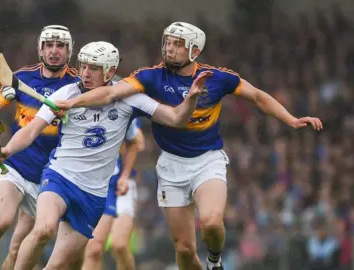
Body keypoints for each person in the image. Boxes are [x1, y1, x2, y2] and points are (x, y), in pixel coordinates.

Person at [52, 22, 323, 270]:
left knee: (212, 221)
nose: (169, 47)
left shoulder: (216, 77)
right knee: (183, 250)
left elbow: (258, 96)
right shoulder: (150, 77)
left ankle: (214, 261)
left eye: (177, 43)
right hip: (171, 166)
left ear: (194, 49)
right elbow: (110, 92)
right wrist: (73, 102)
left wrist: (291, 119)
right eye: (168, 41)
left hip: (208, 160)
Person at [0, 41, 211, 270]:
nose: (85, 73)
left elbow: (176, 118)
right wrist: (7, 150)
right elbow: (30, 131)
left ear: (110, 71)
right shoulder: (65, 93)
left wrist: (192, 97)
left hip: (94, 194)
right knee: (44, 229)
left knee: (56, 265)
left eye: (93, 68)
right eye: (83, 66)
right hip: (59, 177)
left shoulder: (129, 98)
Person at [0, 25, 78, 270]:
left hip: (52, 180)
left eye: (60, 46)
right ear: (40, 49)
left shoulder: (78, 86)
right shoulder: (21, 78)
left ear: (69, 51)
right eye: (49, 45)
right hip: (15, 168)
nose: (54, 51)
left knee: (18, 251)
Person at [80, 117, 144, 270]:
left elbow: (139, 143)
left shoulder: (125, 108)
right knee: (94, 249)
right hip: (97, 185)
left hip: (123, 184)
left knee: (119, 245)